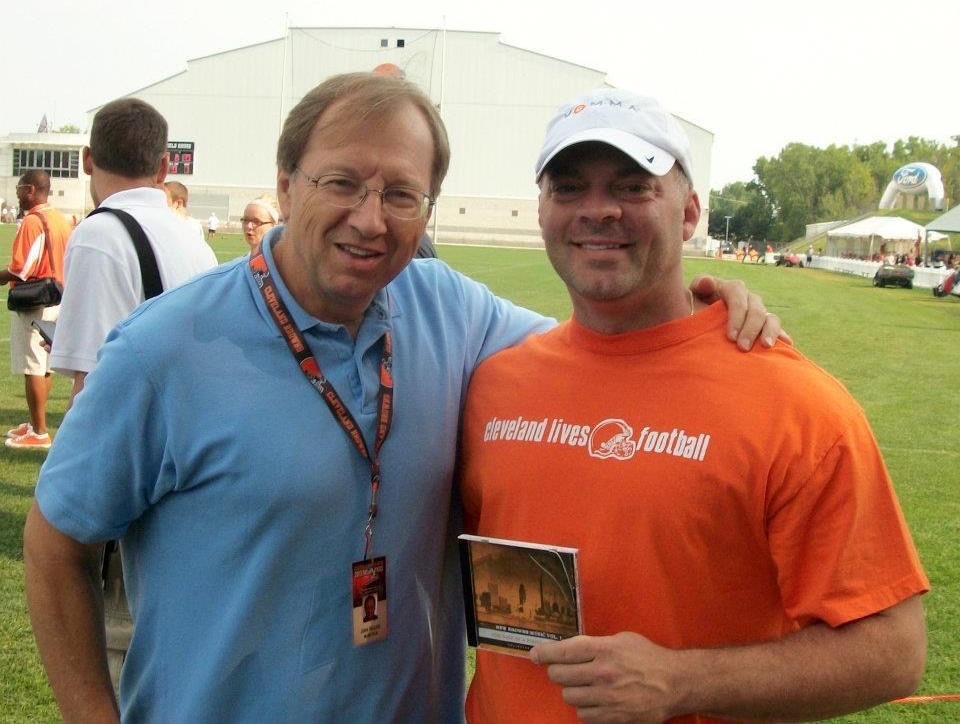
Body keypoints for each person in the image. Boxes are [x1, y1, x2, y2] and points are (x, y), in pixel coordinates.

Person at [24, 74, 780, 723]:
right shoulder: (162, 351)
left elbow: (598, 352)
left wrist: (696, 306)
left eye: (401, 194)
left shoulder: (450, 310)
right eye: (341, 183)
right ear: (285, 184)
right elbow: (56, 545)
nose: (369, 218)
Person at [458, 88, 929, 724]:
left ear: (688, 213)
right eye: (568, 188)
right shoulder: (494, 384)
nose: (598, 210)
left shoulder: (797, 407)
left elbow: (894, 651)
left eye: (632, 187)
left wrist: (681, 681)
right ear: (542, 210)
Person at [48, 98, 218, 406]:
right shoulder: (195, 241)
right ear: (164, 167)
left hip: (136, 425)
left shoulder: (98, 235)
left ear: (87, 160)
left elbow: (93, 384)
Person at [0, 169, 72, 449]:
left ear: (30, 189)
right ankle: (35, 423)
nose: (17, 194)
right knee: (44, 365)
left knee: (33, 366)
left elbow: (21, 269)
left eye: (19, 188)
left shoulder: (33, 220)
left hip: (35, 301)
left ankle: (40, 432)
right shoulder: (59, 218)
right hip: (57, 296)